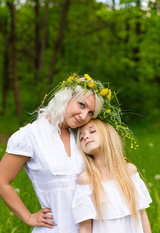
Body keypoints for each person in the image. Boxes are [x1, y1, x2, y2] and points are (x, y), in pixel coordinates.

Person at [0, 73, 105, 233]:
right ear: (66, 97)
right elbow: (2, 181)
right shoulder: (30, 136)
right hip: (55, 229)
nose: (84, 116)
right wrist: (28, 217)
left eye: (91, 112)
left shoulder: (82, 136)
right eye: (82, 105)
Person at [72, 119, 152, 233]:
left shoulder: (129, 171)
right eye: (81, 137)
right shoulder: (87, 180)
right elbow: (85, 227)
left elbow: (143, 215)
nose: (85, 137)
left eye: (92, 131)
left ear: (108, 134)